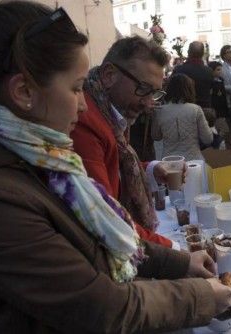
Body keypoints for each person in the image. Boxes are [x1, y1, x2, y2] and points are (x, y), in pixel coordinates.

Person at [0, 1, 231, 332]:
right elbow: (101, 306)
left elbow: (100, 237)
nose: (81, 105)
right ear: (23, 92)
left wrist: (179, 262)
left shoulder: (40, 157)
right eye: (76, 88)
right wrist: (201, 296)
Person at [71, 36, 176, 248]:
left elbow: (115, 168)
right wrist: (174, 250)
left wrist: (150, 170)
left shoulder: (110, 110)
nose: (148, 104)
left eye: (154, 93)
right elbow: (106, 215)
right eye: (144, 89)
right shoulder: (85, 122)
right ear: (109, 75)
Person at [152, 73, 213, 160]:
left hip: (169, 160)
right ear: (189, 89)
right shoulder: (195, 109)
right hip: (193, 160)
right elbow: (208, 139)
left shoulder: (159, 111)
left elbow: (156, 137)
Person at [173, 41, 214, 109]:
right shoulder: (209, 71)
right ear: (203, 53)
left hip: (184, 108)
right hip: (204, 108)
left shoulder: (179, 69)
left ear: (188, 52)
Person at [208, 60, 231, 148]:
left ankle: (228, 149)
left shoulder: (221, 80)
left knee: (227, 133)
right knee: (224, 130)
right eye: (218, 70)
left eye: (220, 69)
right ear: (212, 71)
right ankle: (215, 143)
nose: (220, 71)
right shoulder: (210, 83)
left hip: (224, 110)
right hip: (216, 112)